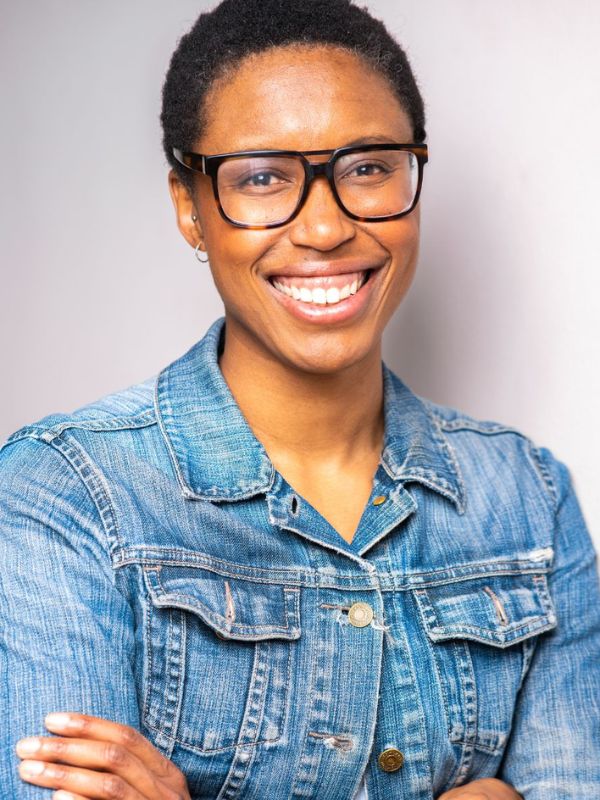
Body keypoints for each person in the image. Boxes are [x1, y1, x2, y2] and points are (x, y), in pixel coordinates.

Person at [1, 0, 599, 798]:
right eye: (261, 177)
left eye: (368, 168)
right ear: (190, 207)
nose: (324, 228)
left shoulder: (530, 499)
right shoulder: (66, 495)